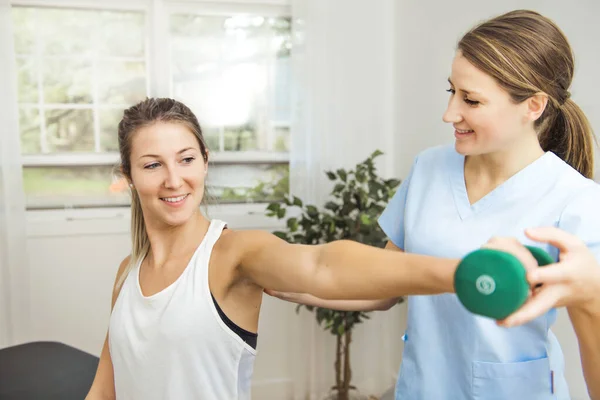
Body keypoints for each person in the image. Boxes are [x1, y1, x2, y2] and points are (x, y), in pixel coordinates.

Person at [84, 97, 535, 400]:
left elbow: (322, 264)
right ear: (127, 175)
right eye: (151, 165)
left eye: (186, 159)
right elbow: (107, 385)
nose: (173, 179)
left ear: (205, 160)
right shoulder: (128, 271)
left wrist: (462, 272)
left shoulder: (233, 255)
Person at [267, 9, 600, 400]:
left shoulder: (576, 200)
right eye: (452, 92)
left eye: (471, 100)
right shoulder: (430, 167)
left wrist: (592, 298)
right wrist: (275, 278)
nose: (450, 114)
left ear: (533, 106)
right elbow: (384, 286)